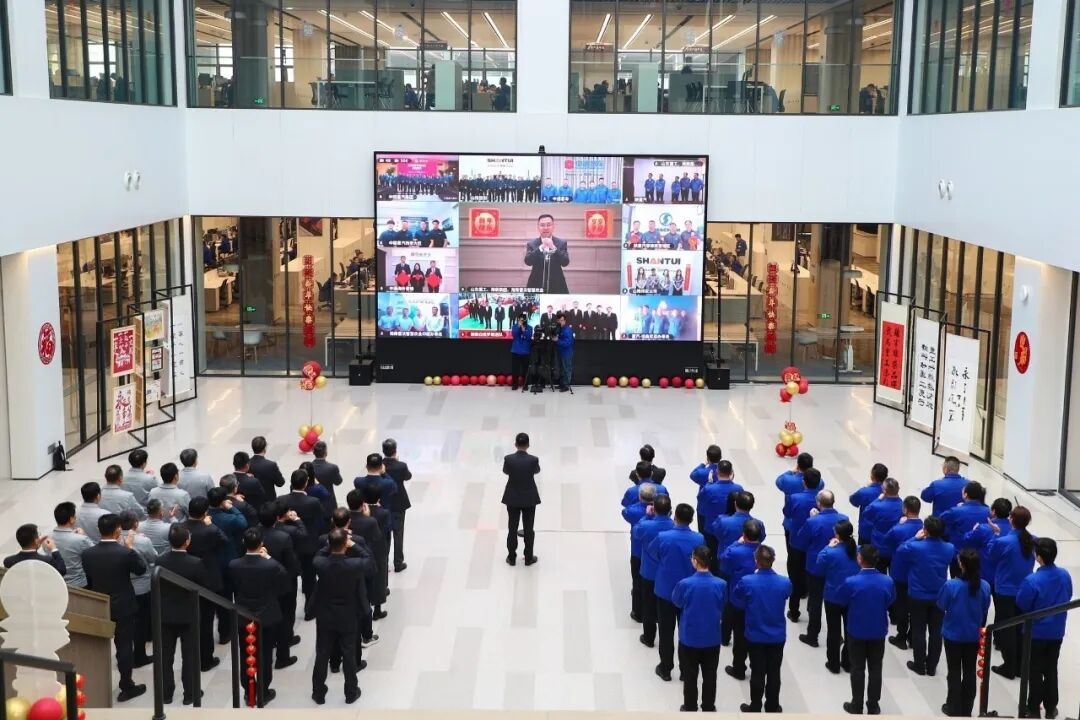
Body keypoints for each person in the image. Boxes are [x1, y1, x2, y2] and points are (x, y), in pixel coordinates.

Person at [82, 513, 148, 702]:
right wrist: (130, 547)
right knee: (124, 646)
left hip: (100, 604)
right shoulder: (125, 553)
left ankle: (95, 684)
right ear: (118, 530)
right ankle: (126, 685)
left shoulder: (87, 554)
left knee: (98, 646)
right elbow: (141, 569)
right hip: (123, 605)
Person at [228, 528, 288, 705]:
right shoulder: (271, 565)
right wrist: (268, 557)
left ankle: (249, 691)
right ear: (262, 544)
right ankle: (263, 690)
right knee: (265, 654)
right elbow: (284, 580)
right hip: (266, 615)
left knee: (246, 653)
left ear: (244, 543)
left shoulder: (234, 565)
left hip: (244, 614)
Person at [311, 528, 369, 705]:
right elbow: (368, 559)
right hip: (348, 614)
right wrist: (354, 545)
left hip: (325, 614)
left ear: (329, 544)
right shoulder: (353, 565)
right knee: (349, 654)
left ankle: (318, 692)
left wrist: (330, 544)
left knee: (322, 653)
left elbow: (319, 554)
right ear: (345, 544)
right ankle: (351, 692)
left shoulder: (320, 563)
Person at [647, 503, 705, 682]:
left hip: (665, 590)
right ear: (692, 519)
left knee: (665, 631)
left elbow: (652, 553)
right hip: (688, 592)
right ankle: (685, 670)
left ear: (675, 517)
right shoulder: (699, 539)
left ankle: (665, 668)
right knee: (685, 631)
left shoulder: (663, 537)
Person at [1016, 538, 1072, 719]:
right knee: (1051, 668)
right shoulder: (1064, 575)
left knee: (1034, 670)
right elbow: (1068, 595)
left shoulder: (1032, 580)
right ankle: (1051, 706)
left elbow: (1022, 603)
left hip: (1036, 633)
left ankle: (1033, 707)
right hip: (1056, 631)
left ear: (1038, 557)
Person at [732, 545, 792, 713]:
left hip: (755, 635)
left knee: (757, 672)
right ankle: (772, 706)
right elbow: (787, 594)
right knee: (774, 673)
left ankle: (755, 706)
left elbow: (737, 595)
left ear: (756, 562)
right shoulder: (784, 582)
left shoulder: (747, 581)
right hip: (777, 636)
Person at [837, 545, 895, 715]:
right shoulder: (887, 581)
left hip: (856, 630)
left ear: (860, 560)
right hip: (878, 630)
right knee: (876, 668)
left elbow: (841, 599)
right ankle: (873, 705)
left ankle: (856, 704)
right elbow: (891, 600)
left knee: (857, 668)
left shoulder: (851, 582)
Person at [156, 524, 209, 705]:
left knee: (165, 657)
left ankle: (166, 693)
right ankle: (190, 693)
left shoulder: (160, 561)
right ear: (187, 541)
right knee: (190, 655)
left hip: (165, 614)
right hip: (189, 614)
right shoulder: (196, 563)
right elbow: (204, 586)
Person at [896, 515, 955, 676]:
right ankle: (932, 666)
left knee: (918, 630)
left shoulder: (916, 547)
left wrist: (914, 538)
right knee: (936, 631)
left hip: (918, 594)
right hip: (939, 594)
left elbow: (900, 551)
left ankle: (919, 664)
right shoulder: (949, 548)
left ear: (925, 531)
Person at [672, 546, 728, 712]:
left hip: (690, 638)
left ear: (696, 561)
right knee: (710, 675)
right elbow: (723, 603)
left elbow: (677, 601)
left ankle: (690, 706)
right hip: (712, 638)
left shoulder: (685, 584)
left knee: (690, 676)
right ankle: (708, 707)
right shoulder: (721, 584)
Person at [937, 548, 991, 718]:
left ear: (961, 564)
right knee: (969, 671)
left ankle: (953, 706)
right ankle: (967, 708)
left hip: (953, 634)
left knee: (954, 671)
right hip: (973, 635)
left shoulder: (951, 585)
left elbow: (941, 605)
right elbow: (985, 608)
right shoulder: (985, 586)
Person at [988, 506, 1036, 679]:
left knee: (1007, 629)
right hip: (1024, 589)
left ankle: (1009, 666)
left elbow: (991, 555)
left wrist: (995, 534)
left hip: (1005, 590)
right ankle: (1020, 666)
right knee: (1021, 628)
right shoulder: (1032, 540)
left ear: (1012, 520)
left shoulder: (1004, 541)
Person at [797, 489, 849, 648]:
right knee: (834, 600)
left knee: (815, 600)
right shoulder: (844, 519)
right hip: (837, 565)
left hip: (816, 566)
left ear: (818, 503)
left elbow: (801, 540)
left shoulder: (812, 521)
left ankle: (813, 635)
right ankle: (837, 635)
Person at [182, 497, 227, 671]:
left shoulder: (180, 527)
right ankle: (206, 659)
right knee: (206, 621)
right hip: (207, 578)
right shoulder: (209, 530)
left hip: (186, 577)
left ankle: (191, 655)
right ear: (205, 513)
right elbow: (224, 541)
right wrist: (210, 525)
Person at [257, 504, 301, 669]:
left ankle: (274, 641)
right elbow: (291, 563)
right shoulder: (283, 537)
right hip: (283, 583)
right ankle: (283, 655)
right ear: (277, 518)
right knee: (285, 617)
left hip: (262, 582)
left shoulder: (253, 533)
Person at [720, 519, 763, 679]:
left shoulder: (736, 551)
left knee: (739, 635)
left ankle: (739, 668)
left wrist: (735, 543)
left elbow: (724, 559)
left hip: (738, 599)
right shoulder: (765, 552)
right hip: (757, 600)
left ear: (743, 535)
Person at [816, 519, 859, 672]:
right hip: (851, 596)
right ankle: (847, 662)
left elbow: (819, 564)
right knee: (850, 630)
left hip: (833, 596)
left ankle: (833, 663)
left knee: (833, 631)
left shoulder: (830, 552)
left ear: (837, 535)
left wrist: (828, 546)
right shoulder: (857, 551)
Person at [119, 511, 159, 668]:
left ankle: (124, 654)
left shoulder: (115, 540)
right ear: (136, 523)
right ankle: (139, 656)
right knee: (141, 623)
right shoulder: (143, 541)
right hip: (142, 586)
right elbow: (154, 558)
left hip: (124, 585)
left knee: (125, 624)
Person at [281, 469, 325, 609]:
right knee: (309, 577)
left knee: (290, 575)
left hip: (289, 542)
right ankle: (309, 607)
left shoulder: (282, 499)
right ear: (306, 483)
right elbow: (321, 521)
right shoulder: (313, 501)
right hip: (308, 544)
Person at [784, 468, 823, 622]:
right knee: (812, 578)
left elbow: (787, 513)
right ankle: (810, 608)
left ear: (803, 482)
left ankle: (794, 611)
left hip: (797, 542)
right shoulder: (823, 499)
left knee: (794, 575)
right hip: (814, 545)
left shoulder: (794, 498)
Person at [502, 432, 541, 566]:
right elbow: (536, 471)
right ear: (528, 445)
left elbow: (506, 471)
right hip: (529, 498)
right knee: (529, 528)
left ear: (515, 444)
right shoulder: (533, 460)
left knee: (512, 528)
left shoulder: (508, 459)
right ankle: (528, 557)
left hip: (512, 497)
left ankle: (511, 557)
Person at [624, 483, 659, 622]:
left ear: (639, 496)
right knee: (655, 583)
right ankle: (655, 613)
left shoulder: (633, 511)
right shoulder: (661, 512)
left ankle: (638, 612)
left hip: (637, 552)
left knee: (637, 583)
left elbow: (625, 511)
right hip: (657, 554)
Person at [697, 460, 743, 559]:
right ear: (731, 472)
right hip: (730, 528)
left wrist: (709, 483)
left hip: (711, 528)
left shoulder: (709, 489)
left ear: (717, 472)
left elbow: (700, 499)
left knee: (710, 554)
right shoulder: (738, 489)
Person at [381, 438, 412, 573]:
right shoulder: (401, 466)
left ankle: (384, 564)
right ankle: (398, 563)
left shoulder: (379, 465)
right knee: (398, 534)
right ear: (395, 450)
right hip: (399, 503)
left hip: (384, 503)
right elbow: (408, 476)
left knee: (385, 534)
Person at [524, 214, 570, 293]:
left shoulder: (561, 243)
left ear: (553, 226)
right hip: (536, 284)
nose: (545, 228)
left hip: (557, 285)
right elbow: (528, 261)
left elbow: (565, 262)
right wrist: (541, 247)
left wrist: (553, 247)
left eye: (548, 225)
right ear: (538, 227)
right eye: (542, 225)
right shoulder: (532, 244)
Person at [52, 502, 94, 587]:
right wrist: (83, 536)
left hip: (59, 583)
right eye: (75, 517)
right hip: (79, 584)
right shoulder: (81, 539)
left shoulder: (48, 539)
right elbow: (95, 553)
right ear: (71, 519)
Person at [864, 477, 904, 566]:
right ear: (898, 489)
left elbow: (866, 514)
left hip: (878, 545)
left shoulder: (877, 506)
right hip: (895, 547)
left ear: (884, 491)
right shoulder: (903, 506)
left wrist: (878, 500)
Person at [849, 463, 889, 545]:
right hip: (882, 533)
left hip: (865, 533)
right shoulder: (890, 493)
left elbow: (853, 500)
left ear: (872, 476)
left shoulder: (864, 492)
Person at [940, 481, 989, 547]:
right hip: (980, 549)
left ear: (965, 495)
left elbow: (940, 520)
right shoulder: (988, 511)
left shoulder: (955, 511)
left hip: (959, 548)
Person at [249, 436, 287, 501]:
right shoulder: (271, 465)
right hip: (268, 501)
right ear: (264, 448)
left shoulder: (247, 464)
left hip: (252, 501)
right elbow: (280, 483)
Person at [311, 440, 345, 509]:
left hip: (312, 501)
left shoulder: (308, 467)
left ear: (313, 452)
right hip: (328, 502)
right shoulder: (332, 468)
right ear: (326, 453)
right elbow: (338, 482)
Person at [510, 313, 533, 390]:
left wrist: (524, 330)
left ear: (525, 320)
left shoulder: (529, 327)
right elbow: (514, 334)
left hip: (525, 351)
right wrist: (518, 327)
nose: (521, 321)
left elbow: (528, 337)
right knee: (515, 369)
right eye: (520, 320)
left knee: (525, 370)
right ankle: (514, 385)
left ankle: (525, 385)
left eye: (523, 320)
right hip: (516, 351)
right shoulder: (515, 326)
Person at [555, 312, 574, 391]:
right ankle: (561, 384)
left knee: (566, 369)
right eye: (559, 320)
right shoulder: (559, 329)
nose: (560, 322)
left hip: (566, 353)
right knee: (561, 369)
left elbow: (567, 343)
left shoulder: (567, 330)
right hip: (560, 352)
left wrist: (557, 340)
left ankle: (566, 385)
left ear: (565, 321)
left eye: (562, 320)